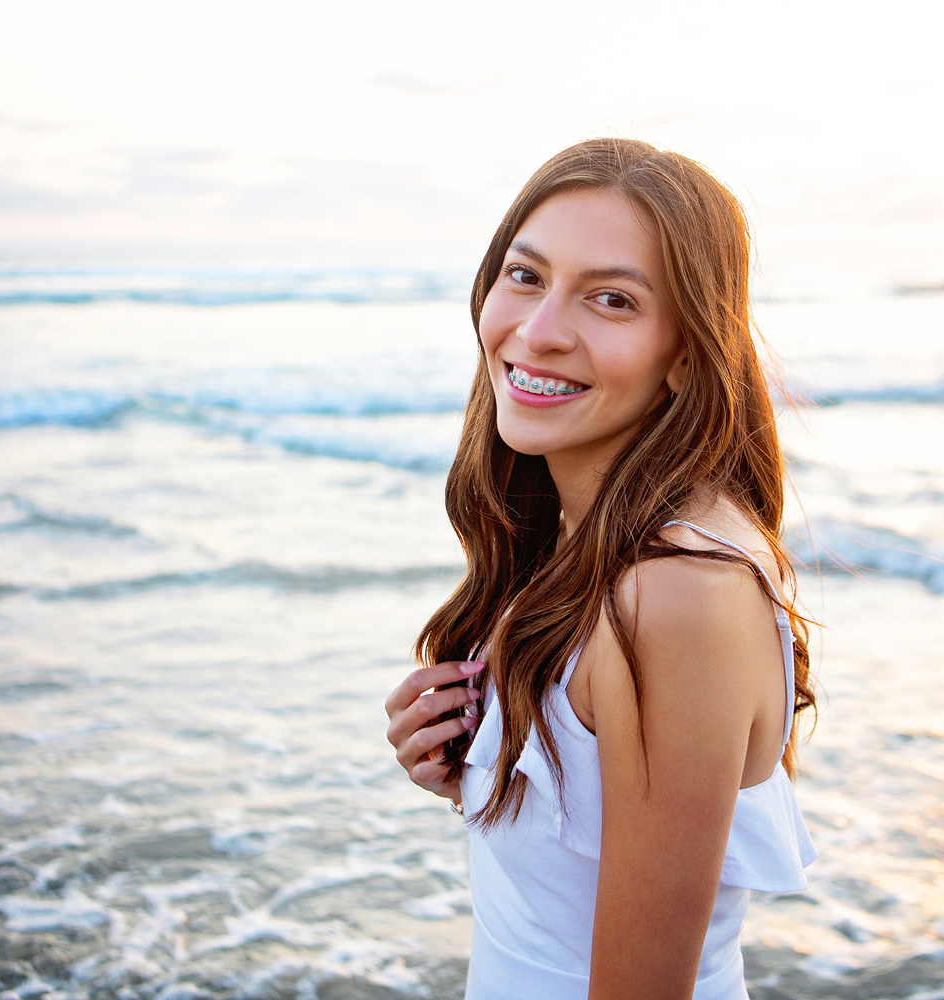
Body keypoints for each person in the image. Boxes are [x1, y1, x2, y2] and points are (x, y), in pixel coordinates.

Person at [384, 137, 817, 1000]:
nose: (538, 333)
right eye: (526, 276)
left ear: (688, 352)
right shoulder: (580, 535)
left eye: (612, 300)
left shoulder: (679, 587)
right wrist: (475, 766)